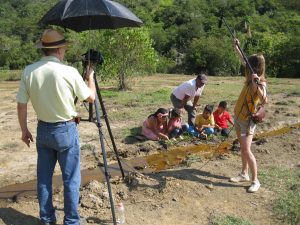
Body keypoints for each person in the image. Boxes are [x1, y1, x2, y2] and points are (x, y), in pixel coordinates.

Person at [16, 29, 96, 225]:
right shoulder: (69, 71)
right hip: (65, 130)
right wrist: (91, 77)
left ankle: (47, 220)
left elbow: (21, 104)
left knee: (44, 179)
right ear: (59, 49)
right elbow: (90, 98)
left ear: (44, 49)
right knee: (70, 179)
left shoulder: (29, 71)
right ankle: (71, 221)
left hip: (43, 130)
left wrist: (24, 130)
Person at [229, 38, 267, 193]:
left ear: (257, 69)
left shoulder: (260, 82)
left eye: (250, 66)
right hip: (238, 118)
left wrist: (256, 82)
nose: (247, 68)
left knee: (246, 150)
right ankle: (244, 173)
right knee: (243, 149)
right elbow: (243, 60)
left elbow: (264, 99)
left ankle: (255, 180)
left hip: (247, 121)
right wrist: (236, 46)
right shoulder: (248, 77)